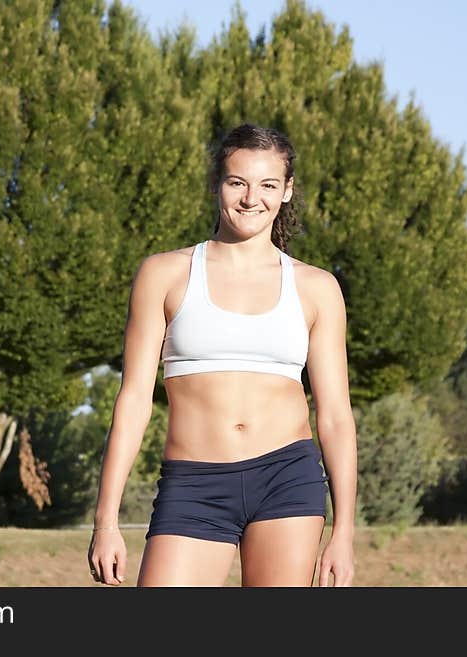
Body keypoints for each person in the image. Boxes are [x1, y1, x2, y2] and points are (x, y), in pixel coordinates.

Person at [87, 123, 357, 587]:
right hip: (193, 487)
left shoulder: (317, 288)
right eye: (238, 182)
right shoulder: (163, 274)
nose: (252, 198)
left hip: (287, 482)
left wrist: (344, 533)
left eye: (268, 185)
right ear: (218, 184)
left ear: (287, 191)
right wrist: (105, 522)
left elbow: (334, 416)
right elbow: (132, 401)